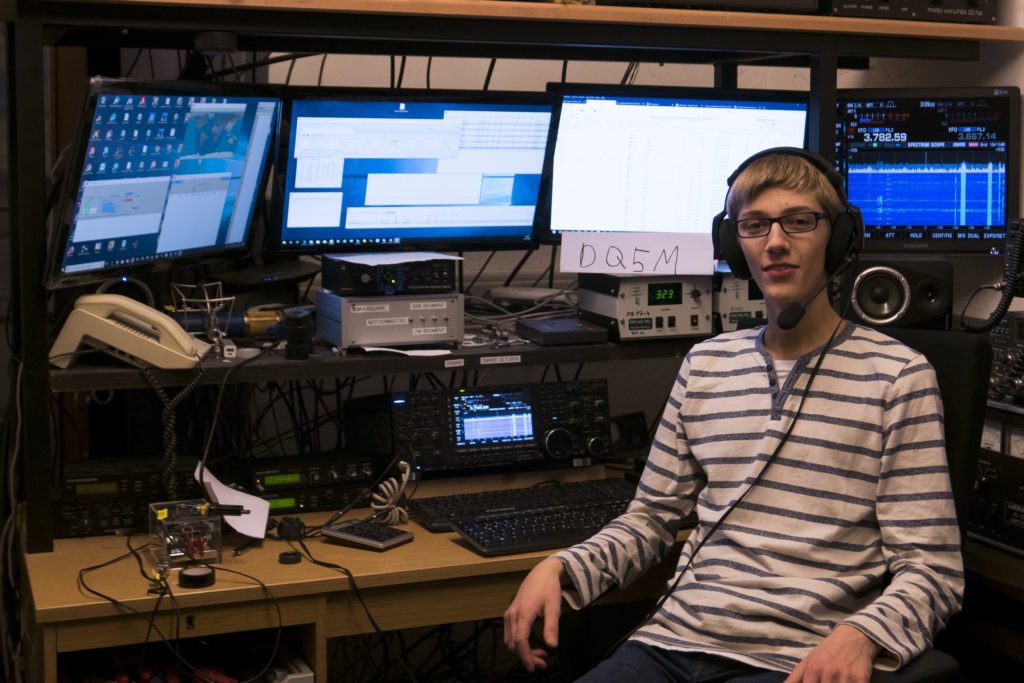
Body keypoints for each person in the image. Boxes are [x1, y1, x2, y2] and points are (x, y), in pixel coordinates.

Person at [503, 148, 964, 682]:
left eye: (799, 221)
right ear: (733, 245)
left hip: (796, 660)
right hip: (668, 645)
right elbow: (651, 518)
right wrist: (561, 565)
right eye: (754, 225)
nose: (775, 241)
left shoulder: (899, 376)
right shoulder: (706, 364)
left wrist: (862, 636)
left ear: (839, 238)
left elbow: (933, 570)